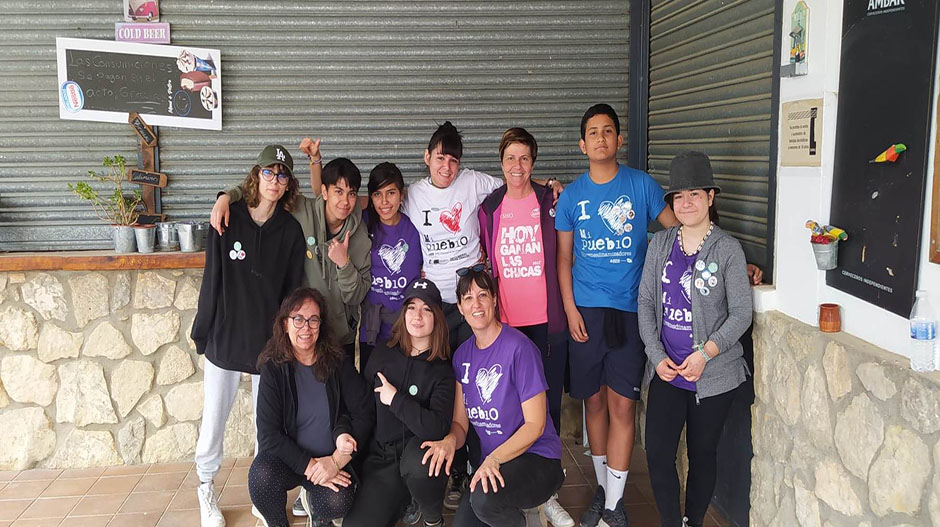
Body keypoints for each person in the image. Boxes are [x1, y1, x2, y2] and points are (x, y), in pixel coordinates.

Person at [403, 122, 562, 508]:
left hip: (470, 303)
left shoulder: (474, 182)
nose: (447, 166)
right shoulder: (412, 194)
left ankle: (481, 468)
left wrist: (550, 186)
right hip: (435, 305)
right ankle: (449, 467)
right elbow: (378, 204)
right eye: (440, 157)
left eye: (454, 159)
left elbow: (515, 178)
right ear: (427, 157)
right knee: (445, 387)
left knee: (482, 387)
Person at [555, 104, 679, 527]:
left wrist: (724, 256)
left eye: (609, 131)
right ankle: (603, 490)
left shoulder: (642, 186)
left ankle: (615, 503)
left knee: (623, 406)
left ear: (619, 140)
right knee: (593, 403)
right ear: (582, 144)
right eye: (593, 132)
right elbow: (564, 259)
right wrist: (570, 309)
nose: (602, 138)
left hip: (630, 311)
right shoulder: (571, 197)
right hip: (586, 312)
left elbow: (677, 229)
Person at [191, 145, 306, 527]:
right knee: (215, 419)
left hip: (268, 344)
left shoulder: (290, 229)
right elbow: (213, 279)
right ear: (256, 175)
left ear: (289, 183)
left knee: (265, 423)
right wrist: (203, 330)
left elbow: (292, 290)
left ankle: (262, 492)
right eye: (269, 173)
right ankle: (206, 487)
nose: (275, 181)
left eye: (283, 175)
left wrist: (289, 340)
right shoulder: (228, 216)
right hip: (225, 336)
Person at [637, 152, 752, 527]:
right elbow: (646, 303)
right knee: (657, 452)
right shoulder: (660, 245)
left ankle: (693, 521)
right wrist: (656, 357)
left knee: (703, 455)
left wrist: (706, 352)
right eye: (679, 196)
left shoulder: (728, 250)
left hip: (713, 375)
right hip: (668, 370)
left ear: (710, 198)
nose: (686, 203)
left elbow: (741, 315)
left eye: (695, 195)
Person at [477, 127, 573, 527]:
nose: (517, 165)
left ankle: (547, 493)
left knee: (546, 412)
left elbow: (566, 255)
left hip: (546, 325)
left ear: (534, 162)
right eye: (510, 158)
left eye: (525, 158)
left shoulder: (551, 200)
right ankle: (514, 485)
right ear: (501, 162)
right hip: (508, 328)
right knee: (511, 410)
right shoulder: (489, 207)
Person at [421, 268, 565, 527]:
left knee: (486, 502)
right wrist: (448, 441)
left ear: (495, 300)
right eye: (468, 298)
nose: (476, 304)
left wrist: (494, 459)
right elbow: (460, 424)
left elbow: (536, 425)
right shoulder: (462, 356)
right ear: (460, 309)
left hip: (537, 458)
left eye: (483, 295)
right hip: (494, 465)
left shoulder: (519, 348)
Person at [211, 149, 372, 360]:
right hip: (304, 335)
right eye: (338, 192)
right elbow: (270, 189)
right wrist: (227, 196)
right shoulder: (303, 211)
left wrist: (345, 265)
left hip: (342, 338)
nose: (345, 201)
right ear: (324, 192)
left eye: (351, 193)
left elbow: (357, 295)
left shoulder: (360, 237)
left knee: (343, 393)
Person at [250, 287, 375, 527]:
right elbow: (268, 435)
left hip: (331, 458)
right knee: (261, 477)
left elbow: (365, 411)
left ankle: (319, 514)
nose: (306, 327)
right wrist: (311, 466)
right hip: (291, 461)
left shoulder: (337, 361)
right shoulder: (273, 367)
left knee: (336, 501)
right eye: (298, 319)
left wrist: (337, 460)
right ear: (285, 324)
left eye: (313, 320)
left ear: (321, 325)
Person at [343, 278, 455, 527]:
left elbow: (438, 426)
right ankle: (402, 501)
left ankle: (432, 517)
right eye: (412, 307)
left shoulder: (442, 369)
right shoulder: (383, 352)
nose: (418, 315)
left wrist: (395, 399)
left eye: (427, 309)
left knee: (420, 465)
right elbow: (361, 408)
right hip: (383, 461)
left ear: (437, 317)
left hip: (418, 461)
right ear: (403, 313)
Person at [358, 162, 423, 375]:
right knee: (371, 392)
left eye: (391, 193)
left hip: (408, 330)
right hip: (373, 330)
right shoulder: (363, 223)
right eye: (377, 194)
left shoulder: (414, 227)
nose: (384, 202)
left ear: (401, 194)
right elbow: (328, 202)